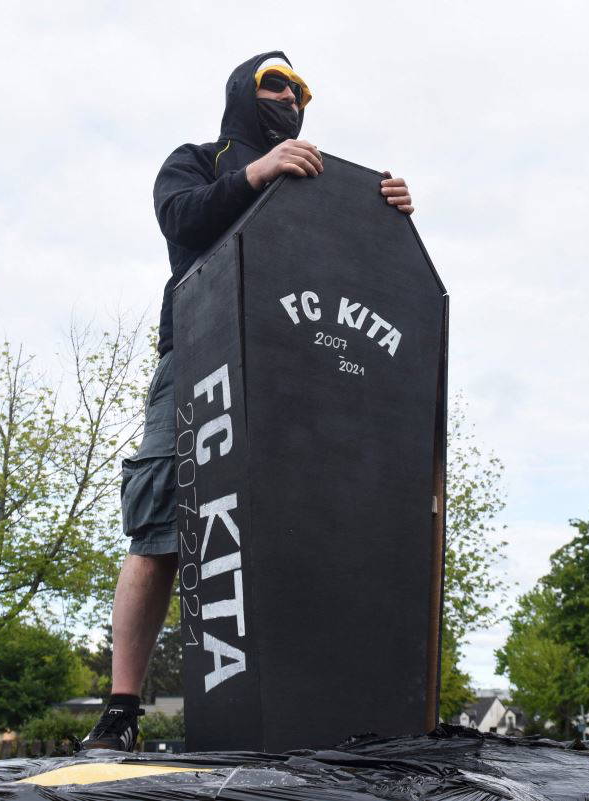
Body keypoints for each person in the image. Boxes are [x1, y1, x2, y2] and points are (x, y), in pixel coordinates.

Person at [80, 51, 414, 751]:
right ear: (242, 91)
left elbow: (364, 274)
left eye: (301, 90)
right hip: (200, 350)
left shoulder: (326, 185)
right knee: (163, 525)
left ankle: (319, 703)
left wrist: (387, 219)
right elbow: (180, 218)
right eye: (276, 83)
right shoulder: (197, 160)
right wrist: (258, 171)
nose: (291, 97)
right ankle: (120, 709)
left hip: (297, 363)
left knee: (305, 525)